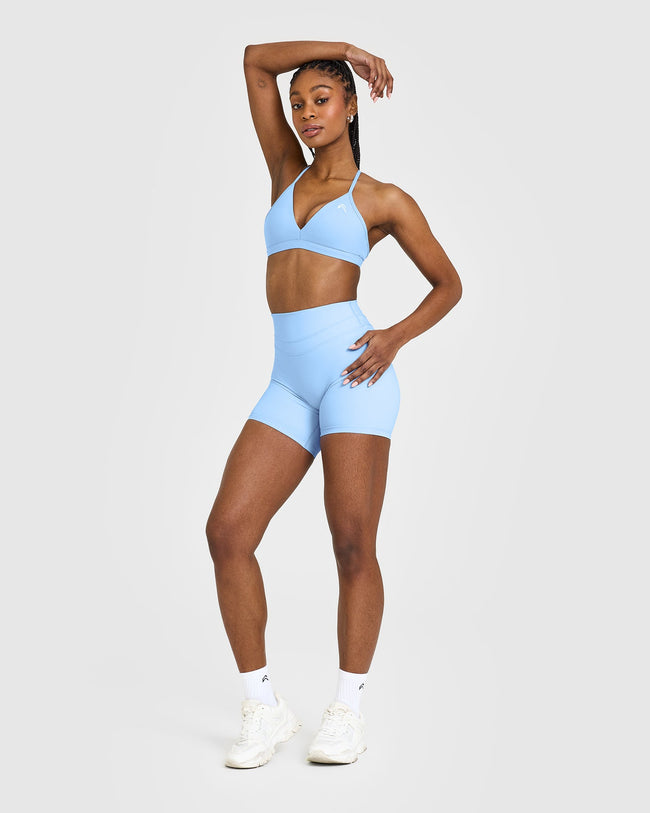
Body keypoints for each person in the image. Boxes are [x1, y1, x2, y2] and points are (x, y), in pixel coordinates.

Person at [205, 40, 462, 768]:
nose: (306, 113)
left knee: (351, 543)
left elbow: (449, 284)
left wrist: (393, 338)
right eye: (298, 103)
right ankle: (264, 707)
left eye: (322, 99)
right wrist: (344, 49)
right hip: (288, 382)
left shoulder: (380, 198)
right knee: (228, 532)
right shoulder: (284, 171)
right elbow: (255, 61)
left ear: (351, 106)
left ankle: (347, 710)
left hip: (356, 377)